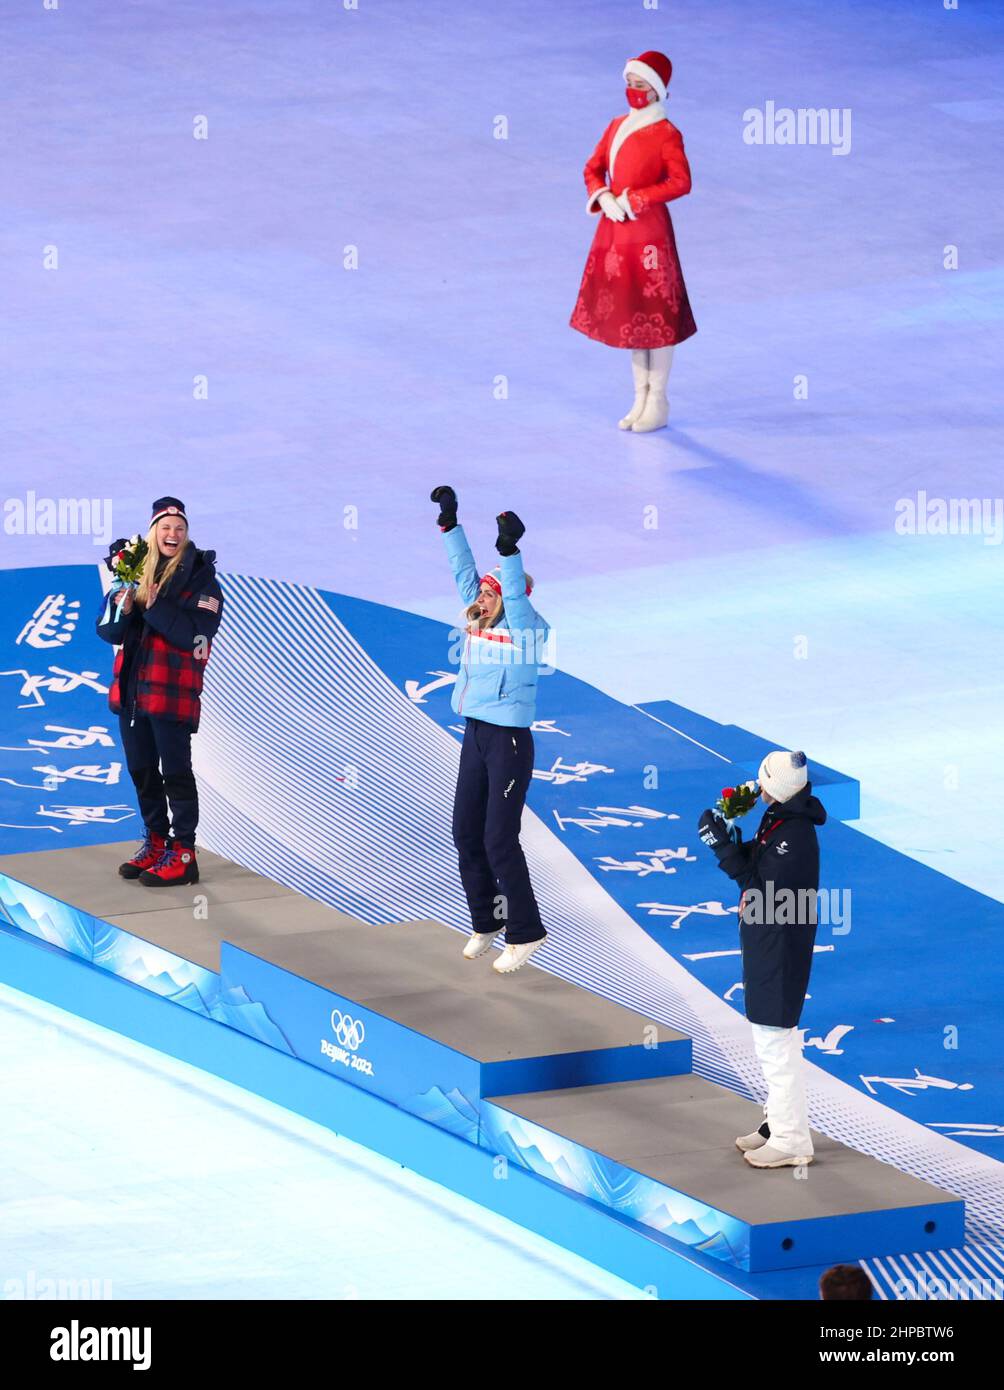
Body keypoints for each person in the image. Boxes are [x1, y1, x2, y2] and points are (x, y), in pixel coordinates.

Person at [430, 486, 550, 974]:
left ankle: (527, 931)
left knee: (499, 838)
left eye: (489, 593)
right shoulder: (479, 617)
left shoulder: (524, 629)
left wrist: (509, 551)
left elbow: (515, 596)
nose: (479, 598)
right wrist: (450, 522)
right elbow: (463, 573)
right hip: (476, 735)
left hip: (509, 743)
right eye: (480, 592)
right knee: (465, 832)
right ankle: (489, 918)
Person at [697, 751, 827, 1168]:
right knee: (768, 1035)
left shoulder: (796, 834)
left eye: (762, 782)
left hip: (780, 944)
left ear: (780, 788)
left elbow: (760, 886)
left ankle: (792, 1140)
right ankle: (777, 1124)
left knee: (775, 1040)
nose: (756, 788)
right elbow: (760, 862)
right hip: (767, 938)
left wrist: (723, 850)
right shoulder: (782, 818)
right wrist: (729, 831)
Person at [96, 497, 224, 886]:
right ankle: (156, 842)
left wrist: (152, 605)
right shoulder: (134, 574)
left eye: (179, 528)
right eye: (166, 528)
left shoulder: (203, 581)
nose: (173, 534)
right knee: (142, 772)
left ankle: (183, 853)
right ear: (153, 533)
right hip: (133, 695)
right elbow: (108, 632)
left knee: (176, 774)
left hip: (171, 696)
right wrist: (123, 603)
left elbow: (194, 634)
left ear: (187, 535)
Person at [570, 49, 697, 433]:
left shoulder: (666, 134)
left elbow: (681, 181)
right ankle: (639, 395)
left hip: (649, 234)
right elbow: (593, 167)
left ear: (656, 90)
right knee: (632, 314)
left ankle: (657, 397)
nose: (633, 91)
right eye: (628, 84)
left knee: (655, 315)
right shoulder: (614, 126)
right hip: (617, 230)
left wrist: (636, 199)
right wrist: (604, 196)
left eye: (640, 85)